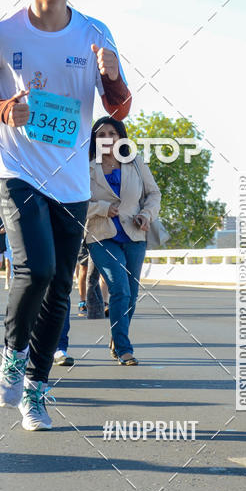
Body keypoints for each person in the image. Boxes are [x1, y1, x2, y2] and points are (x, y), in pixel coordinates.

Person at [0, 0, 130, 429]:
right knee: (34, 271)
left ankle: (35, 388)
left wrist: (114, 74)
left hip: (72, 181)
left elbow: (119, 109)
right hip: (17, 170)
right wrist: (3, 108)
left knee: (58, 285)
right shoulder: (5, 32)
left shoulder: (95, 33)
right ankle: (13, 354)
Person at [85, 117, 160, 365]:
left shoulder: (135, 163)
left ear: (120, 138)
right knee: (120, 288)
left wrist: (146, 214)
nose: (107, 138)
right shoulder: (85, 167)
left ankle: (118, 337)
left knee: (132, 292)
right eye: (101, 134)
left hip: (135, 235)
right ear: (95, 139)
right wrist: (102, 208)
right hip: (101, 235)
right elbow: (75, 203)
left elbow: (153, 194)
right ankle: (124, 349)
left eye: (112, 133)